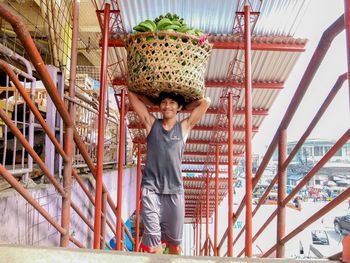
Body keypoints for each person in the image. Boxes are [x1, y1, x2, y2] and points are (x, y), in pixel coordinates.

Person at [128, 90, 211, 254]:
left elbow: (206, 102)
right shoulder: (151, 124)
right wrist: (152, 101)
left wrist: (183, 104)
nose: (167, 106)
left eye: (172, 103)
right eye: (164, 102)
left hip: (175, 191)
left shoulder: (184, 127)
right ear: (159, 106)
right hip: (151, 189)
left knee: (174, 246)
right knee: (153, 243)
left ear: (178, 107)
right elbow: (132, 95)